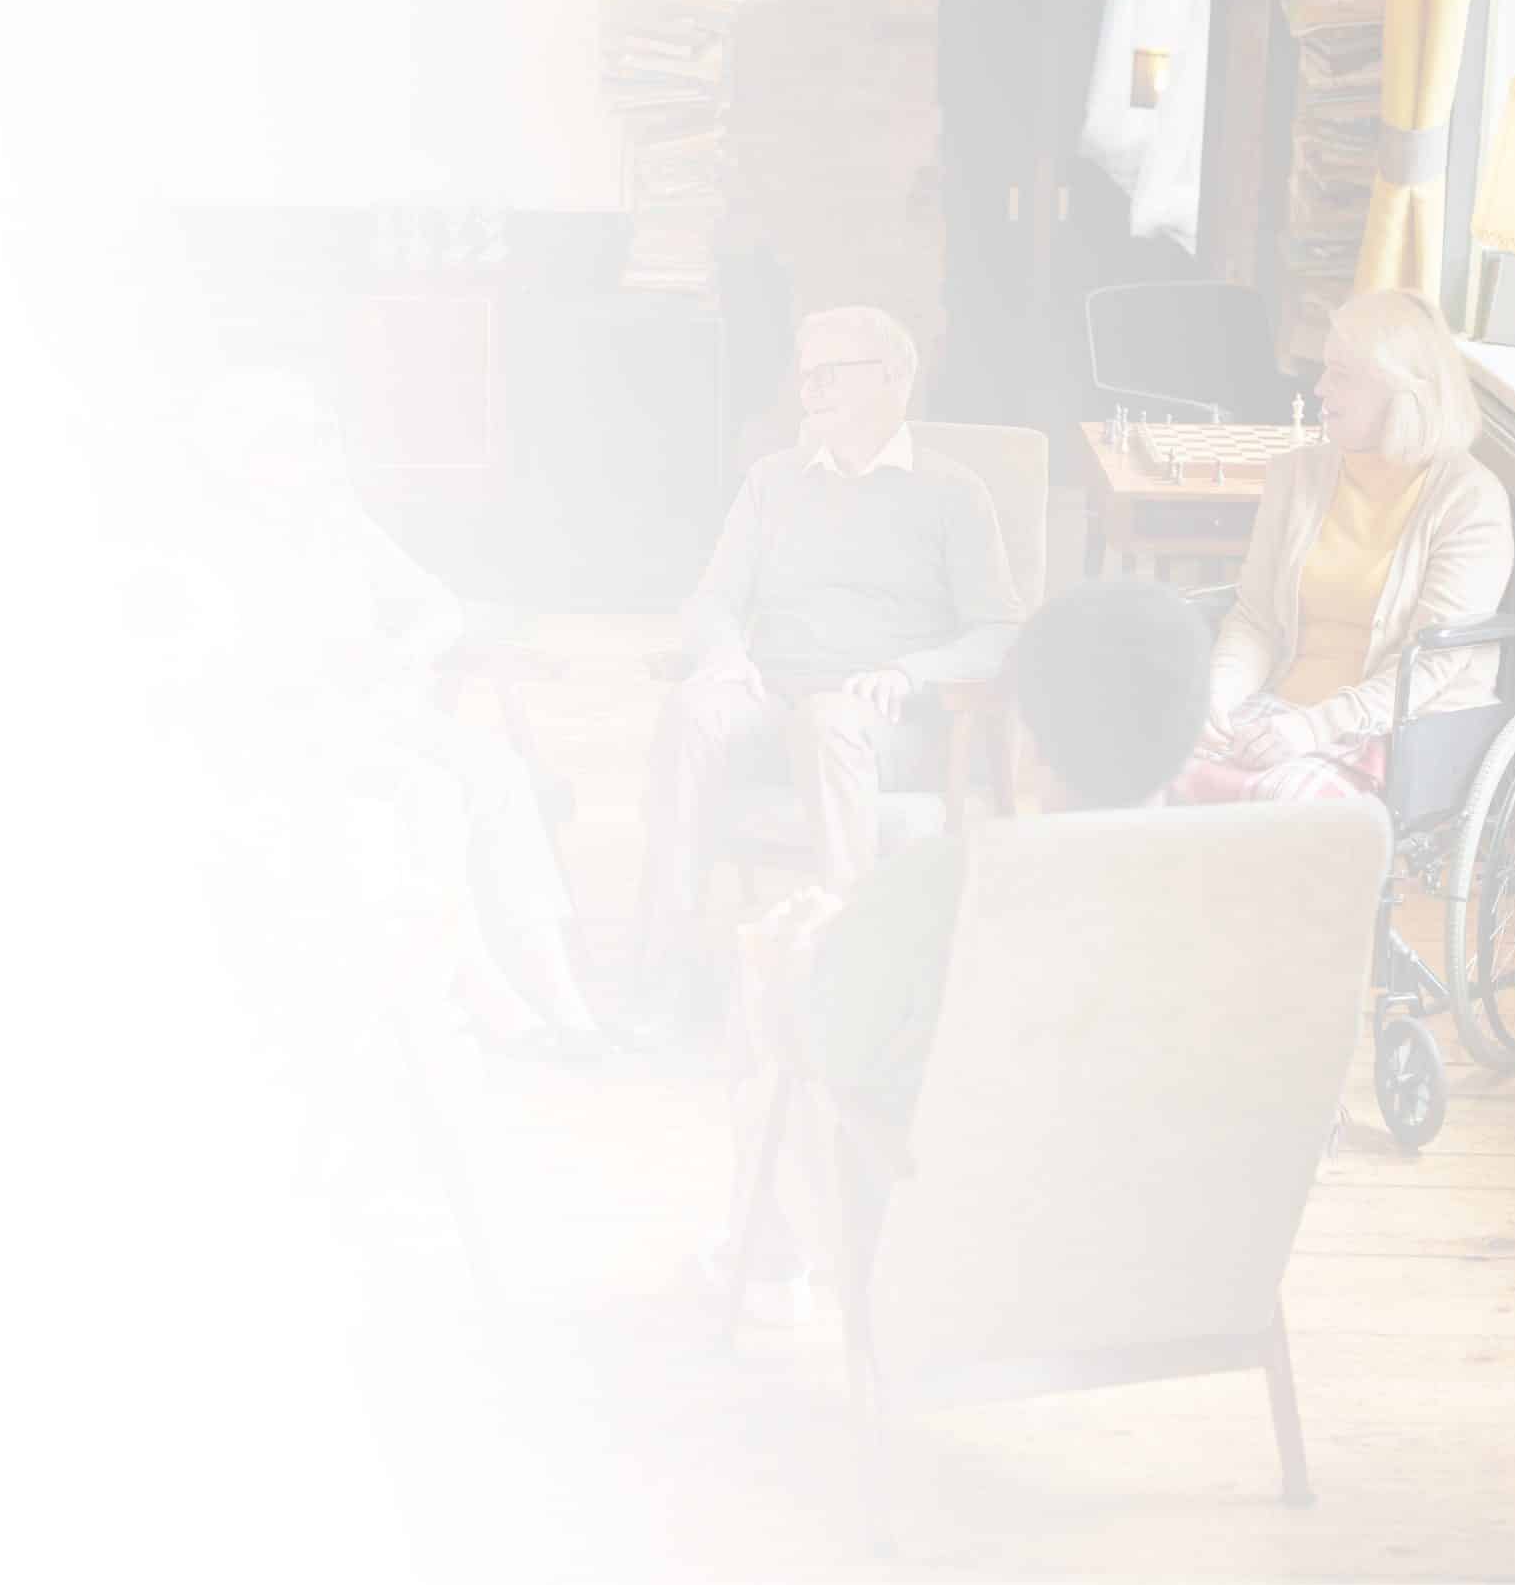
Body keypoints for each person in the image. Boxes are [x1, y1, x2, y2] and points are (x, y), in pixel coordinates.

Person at [711, 578, 1214, 1317]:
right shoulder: (1242, 882)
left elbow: (834, 1050)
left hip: (966, 1250)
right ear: (1195, 733)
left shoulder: (951, 882)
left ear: (1028, 743)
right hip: (1165, 1249)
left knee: (768, 984)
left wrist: (792, 950)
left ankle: (762, 1267)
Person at [193, 369, 608, 1060]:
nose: (312, 459)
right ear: (244, 456)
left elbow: (439, 604)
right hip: (292, 730)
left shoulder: (337, 523)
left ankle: (560, 992)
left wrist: (402, 650)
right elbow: (234, 669)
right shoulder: (220, 543)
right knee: (433, 791)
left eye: (313, 441)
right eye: (291, 444)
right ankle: (479, 987)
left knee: (497, 770)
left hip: (380, 712)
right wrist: (330, 668)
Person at [639, 305, 1024, 1010]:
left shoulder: (953, 494)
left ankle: (850, 973)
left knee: (828, 720)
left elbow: (1000, 632)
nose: (808, 389)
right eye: (804, 374)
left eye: (828, 374)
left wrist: (912, 672)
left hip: (889, 720)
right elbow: (711, 600)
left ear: (892, 379)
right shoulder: (771, 481)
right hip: (773, 695)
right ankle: (666, 964)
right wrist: (724, 651)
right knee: (696, 706)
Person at [1175, 288, 1514, 805]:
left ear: (1402, 392)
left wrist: (1313, 728)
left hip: (1392, 733)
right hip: (1277, 709)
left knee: (1280, 804)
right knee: (1151, 762)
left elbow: (1429, 669)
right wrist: (1216, 698)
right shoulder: (1297, 476)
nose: (1318, 388)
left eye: (1341, 374)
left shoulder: (1471, 501)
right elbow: (1256, 618)